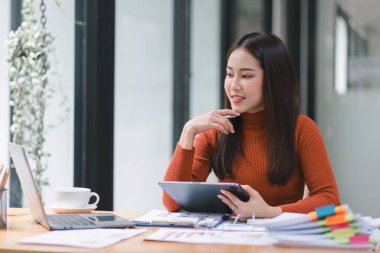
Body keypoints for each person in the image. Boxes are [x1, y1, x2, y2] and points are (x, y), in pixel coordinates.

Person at [163, 32, 340, 219]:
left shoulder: (302, 129)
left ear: (274, 79)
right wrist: (188, 131)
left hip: (280, 243)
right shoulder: (217, 131)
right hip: (229, 243)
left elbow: (330, 201)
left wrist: (271, 212)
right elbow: (172, 203)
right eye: (229, 74)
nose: (233, 86)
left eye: (246, 76)